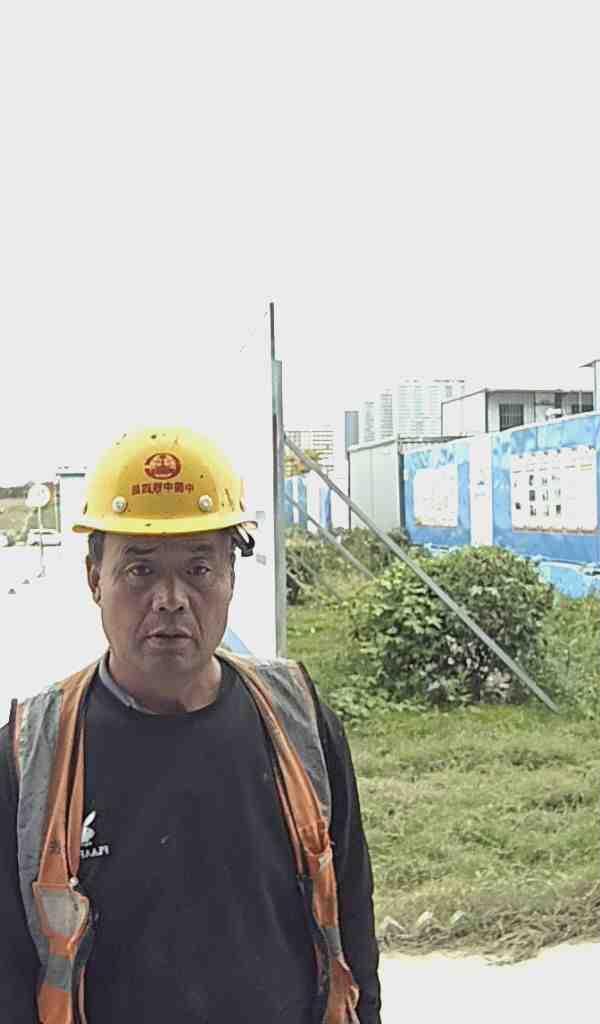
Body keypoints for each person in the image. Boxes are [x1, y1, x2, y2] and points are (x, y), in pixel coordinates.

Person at [0, 426, 381, 1024]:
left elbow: (353, 919)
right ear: (95, 579)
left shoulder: (299, 721)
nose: (171, 599)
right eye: (140, 570)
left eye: (200, 568)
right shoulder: (32, 754)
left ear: (231, 577)